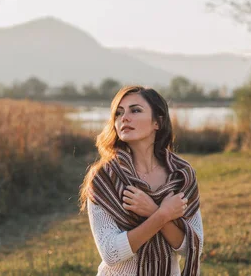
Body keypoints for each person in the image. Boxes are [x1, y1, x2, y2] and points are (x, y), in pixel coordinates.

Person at [79, 85, 204, 276]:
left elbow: (192, 247)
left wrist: (152, 210)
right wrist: (162, 215)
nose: (124, 118)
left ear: (158, 122)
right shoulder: (104, 178)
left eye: (135, 110)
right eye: (118, 113)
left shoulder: (181, 175)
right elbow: (110, 253)